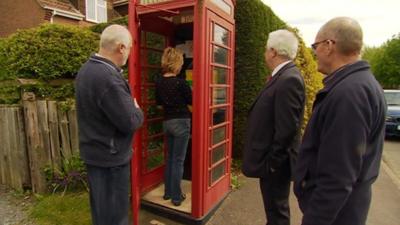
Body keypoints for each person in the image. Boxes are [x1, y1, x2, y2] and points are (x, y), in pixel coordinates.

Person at [294, 17, 387, 225]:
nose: (314, 52)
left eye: (315, 45)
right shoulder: (361, 84)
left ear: (329, 45)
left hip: (336, 216)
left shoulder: (349, 93)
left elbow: (338, 176)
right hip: (347, 210)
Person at [75, 24, 144, 225]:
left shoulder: (86, 70)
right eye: (130, 48)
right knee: (115, 216)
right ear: (121, 47)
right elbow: (130, 121)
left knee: (101, 213)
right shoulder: (109, 78)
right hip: (111, 159)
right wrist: (137, 109)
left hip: (94, 153)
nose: (129, 54)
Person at [242, 29, 306, 225]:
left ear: (273, 51)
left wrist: (272, 164)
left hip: (276, 165)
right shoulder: (284, 76)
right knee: (273, 211)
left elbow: (287, 129)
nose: (264, 54)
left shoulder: (289, 79)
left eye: (265, 50)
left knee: (277, 213)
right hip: (273, 162)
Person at [155, 47, 192, 206]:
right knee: (178, 160)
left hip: (167, 122)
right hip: (181, 122)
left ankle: (167, 193)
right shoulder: (181, 83)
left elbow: (159, 105)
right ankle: (177, 197)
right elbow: (192, 103)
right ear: (177, 64)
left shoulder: (159, 82)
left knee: (170, 158)